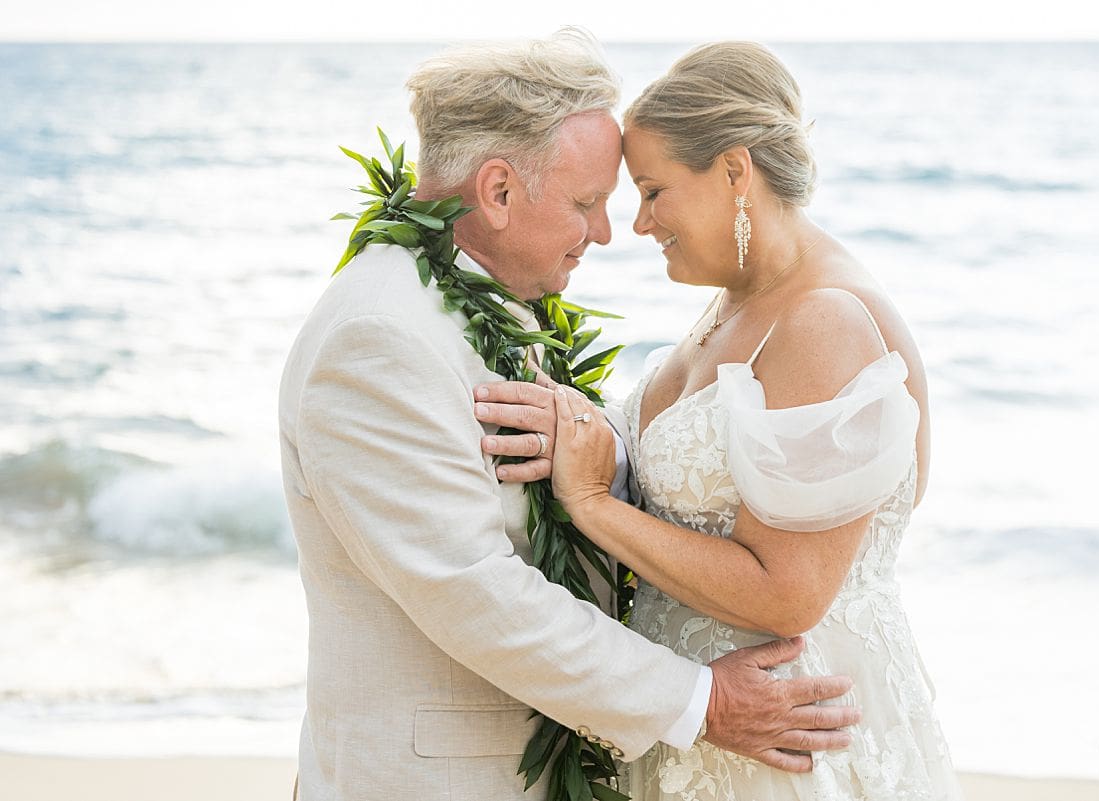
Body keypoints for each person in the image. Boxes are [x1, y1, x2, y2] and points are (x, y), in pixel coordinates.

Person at [278, 30, 859, 801]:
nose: (608, 232)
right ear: (499, 191)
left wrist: (606, 461)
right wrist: (701, 701)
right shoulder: (378, 337)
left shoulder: (488, 298)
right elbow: (473, 590)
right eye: (588, 203)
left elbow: (563, 461)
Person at [478, 42, 962, 799]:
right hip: (707, 729)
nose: (637, 223)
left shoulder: (823, 321)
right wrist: (587, 428)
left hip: (785, 745)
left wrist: (593, 504)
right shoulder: (741, 298)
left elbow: (790, 594)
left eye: (653, 190)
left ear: (735, 172)